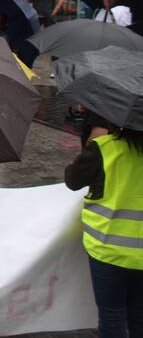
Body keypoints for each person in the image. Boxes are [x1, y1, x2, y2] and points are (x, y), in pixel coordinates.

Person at [64, 123, 143, 337]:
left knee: (112, 315)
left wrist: (93, 142)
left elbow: (72, 180)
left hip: (109, 251)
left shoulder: (103, 148)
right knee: (139, 317)